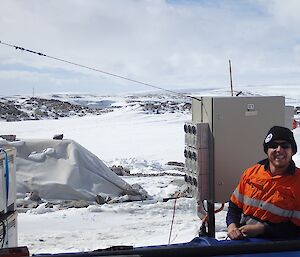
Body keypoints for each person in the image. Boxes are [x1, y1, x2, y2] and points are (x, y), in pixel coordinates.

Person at [226, 126, 300, 240]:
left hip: (278, 248)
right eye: (273, 146)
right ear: (267, 150)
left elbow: (297, 230)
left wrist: (263, 229)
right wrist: (231, 226)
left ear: (293, 151)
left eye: (285, 146)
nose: (279, 150)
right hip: (242, 242)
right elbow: (234, 206)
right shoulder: (251, 173)